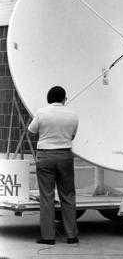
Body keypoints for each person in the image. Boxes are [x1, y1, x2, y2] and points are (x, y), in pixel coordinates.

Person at [28, 86, 79, 245]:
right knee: (68, 196)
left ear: (48, 98)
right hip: (65, 155)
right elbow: (72, 135)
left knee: (47, 197)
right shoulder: (72, 114)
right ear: (64, 98)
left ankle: (48, 237)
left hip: (45, 156)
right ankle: (72, 236)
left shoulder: (41, 112)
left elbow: (31, 131)